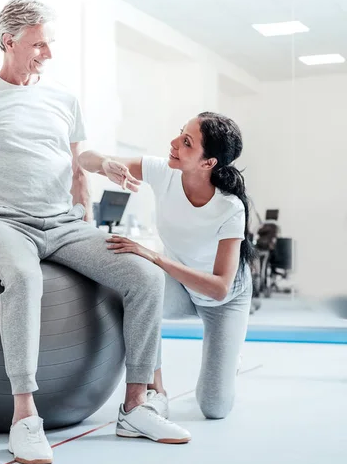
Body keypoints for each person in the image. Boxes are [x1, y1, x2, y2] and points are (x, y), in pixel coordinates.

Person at [0, 0, 191, 464]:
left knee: (145, 277)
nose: (49, 54)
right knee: (24, 279)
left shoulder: (62, 98)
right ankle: (24, 418)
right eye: (40, 44)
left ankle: (135, 405)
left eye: (50, 43)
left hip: (62, 223)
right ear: (9, 41)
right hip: (1, 221)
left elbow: (80, 157)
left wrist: (103, 171)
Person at [79, 112, 255, 420]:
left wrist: (156, 257)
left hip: (225, 299)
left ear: (208, 162)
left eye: (187, 142)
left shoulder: (229, 208)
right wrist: (106, 164)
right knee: (140, 290)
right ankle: (155, 390)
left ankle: (230, 357)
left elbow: (219, 288)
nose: (173, 143)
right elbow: (85, 158)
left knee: (214, 408)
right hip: (182, 288)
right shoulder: (163, 172)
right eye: (180, 133)